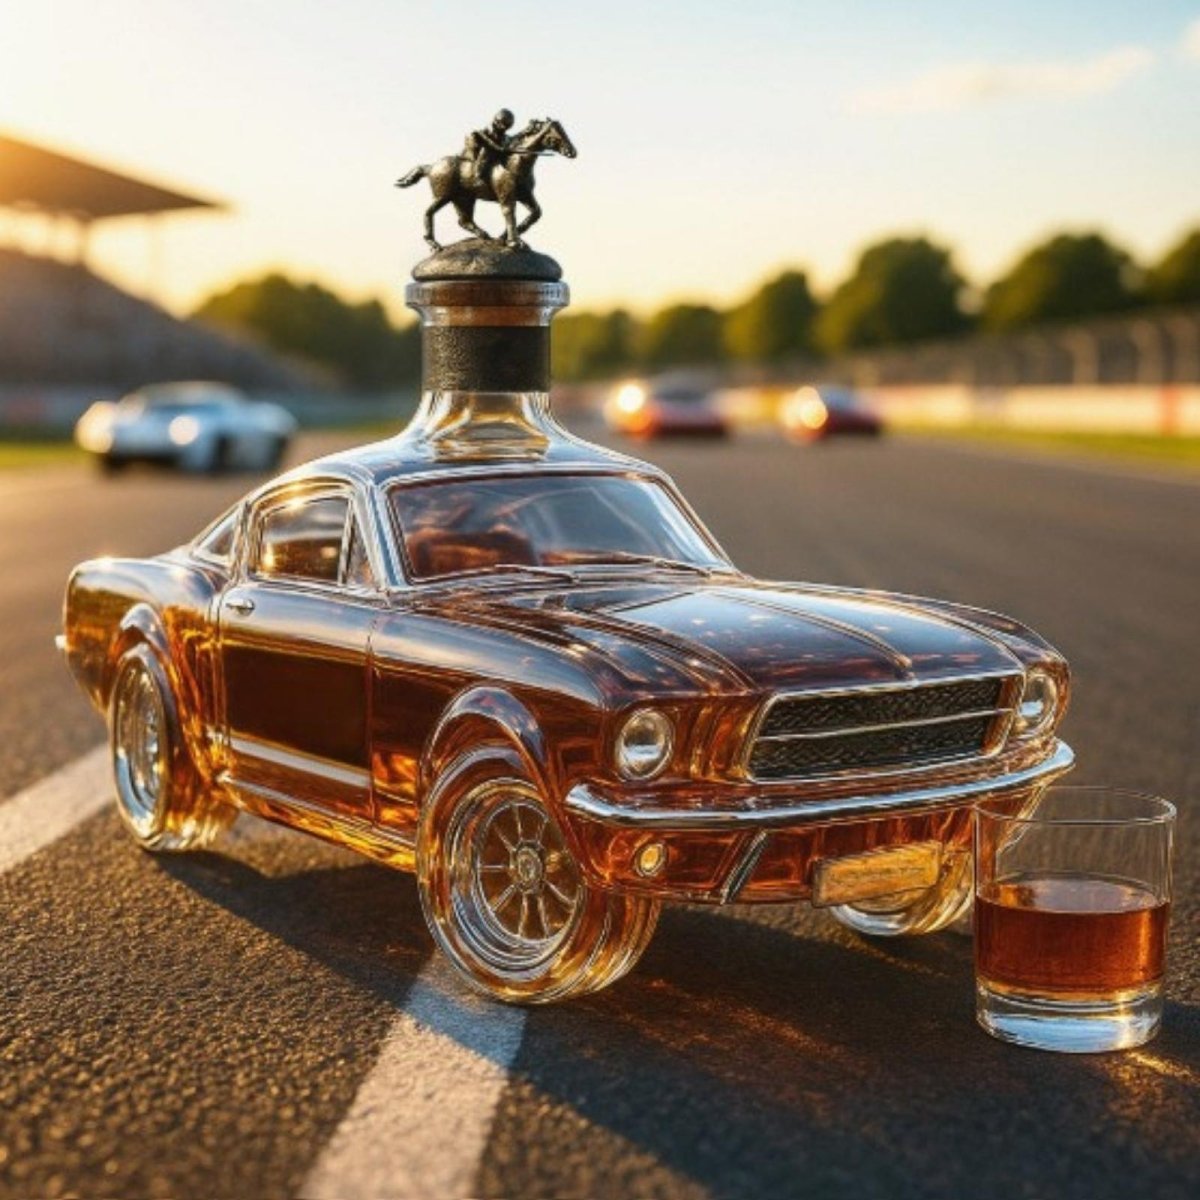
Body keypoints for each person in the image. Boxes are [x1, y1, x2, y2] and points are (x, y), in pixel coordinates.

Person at [464, 109, 515, 190]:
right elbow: (489, 142)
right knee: (486, 152)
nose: (504, 129)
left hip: (494, 151)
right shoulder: (484, 132)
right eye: (503, 125)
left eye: (507, 127)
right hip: (478, 151)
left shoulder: (502, 134)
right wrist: (499, 148)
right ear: (497, 122)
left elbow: (509, 140)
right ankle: (478, 177)